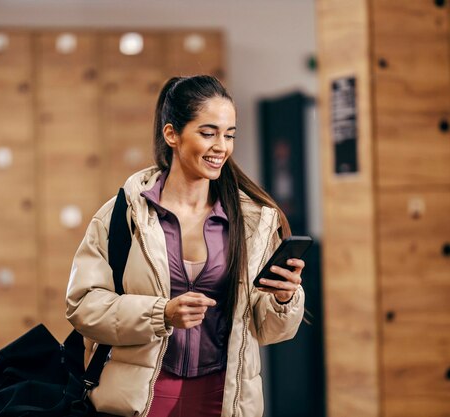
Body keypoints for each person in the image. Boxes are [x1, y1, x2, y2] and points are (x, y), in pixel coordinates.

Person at [66, 75, 305, 417]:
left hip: (224, 399)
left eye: (229, 135)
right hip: (142, 401)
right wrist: (162, 313)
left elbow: (267, 331)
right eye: (208, 133)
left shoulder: (252, 222)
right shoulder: (123, 214)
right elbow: (83, 306)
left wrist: (284, 298)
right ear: (172, 134)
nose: (221, 146)